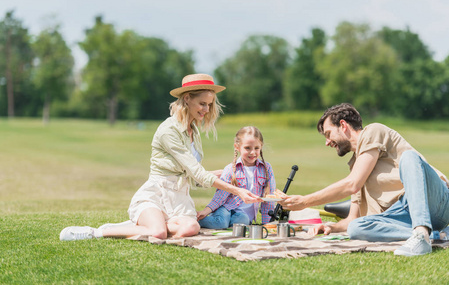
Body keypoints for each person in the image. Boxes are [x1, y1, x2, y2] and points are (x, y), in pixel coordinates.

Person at [59, 73, 262, 241]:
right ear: (187, 98)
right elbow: (196, 171)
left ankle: (141, 227)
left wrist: (228, 172)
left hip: (180, 199)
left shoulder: (194, 131)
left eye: (209, 105)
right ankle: (97, 232)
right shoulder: (168, 130)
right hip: (157, 194)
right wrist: (237, 190)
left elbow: (193, 177)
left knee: (190, 228)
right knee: (158, 233)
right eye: (202, 103)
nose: (206, 110)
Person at [279, 103, 449, 256]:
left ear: (343, 125)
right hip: (401, 215)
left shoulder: (373, 131)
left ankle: (421, 234)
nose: (327, 142)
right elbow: (352, 219)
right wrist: (331, 227)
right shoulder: (356, 165)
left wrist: (306, 201)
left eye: (328, 134)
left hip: (433, 201)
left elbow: (352, 184)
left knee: (409, 157)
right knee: (356, 228)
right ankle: (431, 233)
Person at [197, 126, 276, 228]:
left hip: (243, 216)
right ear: (237, 147)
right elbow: (220, 196)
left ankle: (221, 223)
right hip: (226, 208)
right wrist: (205, 211)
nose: (252, 152)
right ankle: (195, 220)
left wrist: (267, 224)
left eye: (256, 148)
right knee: (221, 223)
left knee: (243, 221)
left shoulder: (266, 169)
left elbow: (268, 200)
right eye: (247, 148)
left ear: (261, 146)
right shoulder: (231, 169)